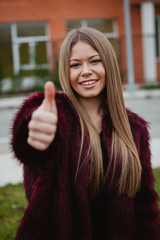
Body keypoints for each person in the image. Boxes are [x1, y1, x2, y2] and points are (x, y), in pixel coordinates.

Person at [11, 27, 160, 240]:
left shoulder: (135, 129)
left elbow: (146, 208)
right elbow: (31, 138)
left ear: (108, 64)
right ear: (65, 70)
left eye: (94, 61)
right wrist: (32, 130)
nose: (86, 71)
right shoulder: (57, 117)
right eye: (75, 65)